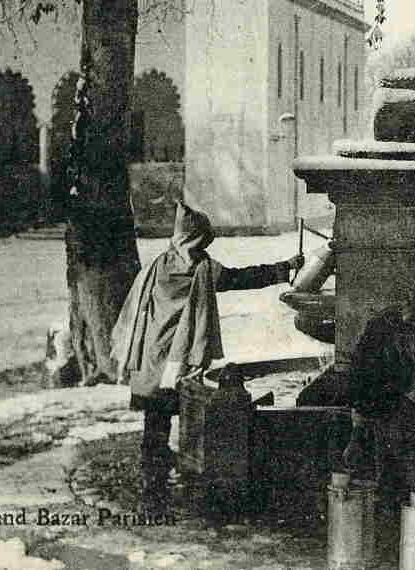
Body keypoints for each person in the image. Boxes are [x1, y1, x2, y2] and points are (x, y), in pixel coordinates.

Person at [111, 199, 302, 488]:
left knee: (155, 416)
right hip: (176, 357)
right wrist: (283, 268)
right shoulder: (200, 268)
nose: (204, 249)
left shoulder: (158, 265)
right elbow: (240, 278)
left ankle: (153, 469)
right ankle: (183, 466)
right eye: (202, 243)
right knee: (189, 408)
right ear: (195, 240)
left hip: (150, 354)